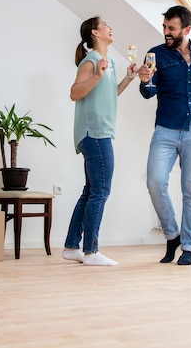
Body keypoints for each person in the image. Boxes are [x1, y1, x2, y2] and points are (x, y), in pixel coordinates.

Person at [137, 5, 191, 266]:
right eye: (164, 27)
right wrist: (144, 80)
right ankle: (172, 234)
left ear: (186, 29)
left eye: (171, 28)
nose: (166, 32)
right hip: (166, 130)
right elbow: (148, 93)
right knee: (154, 182)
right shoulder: (156, 54)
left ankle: (188, 247)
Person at [62, 16, 137, 266]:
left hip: (98, 132)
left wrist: (127, 78)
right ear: (95, 32)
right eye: (105, 24)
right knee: (101, 192)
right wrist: (95, 76)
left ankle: (72, 247)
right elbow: (75, 93)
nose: (110, 26)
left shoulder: (109, 62)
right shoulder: (90, 61)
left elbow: (110, 95)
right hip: (94, 133)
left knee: (91, 191)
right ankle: (91, 252)